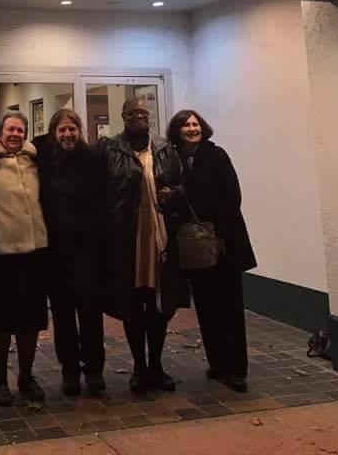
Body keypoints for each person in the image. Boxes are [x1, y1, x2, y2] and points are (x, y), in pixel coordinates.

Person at [165, 109, 256, 393]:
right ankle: (217, 363)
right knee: (206, 307)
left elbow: (232, 198)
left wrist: (219, 234)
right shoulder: (173, 160)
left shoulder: (217, 155)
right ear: (177, 131)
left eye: (195, 124)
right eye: (186, 125)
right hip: (193, 246)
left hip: (224, 244)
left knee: (229, 307)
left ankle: (237, 370)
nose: (192, 128)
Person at [97, 97, 183, 394]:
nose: (139, 117)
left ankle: (156, 366)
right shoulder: (110, 149)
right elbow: (99, 190)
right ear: (123, 117)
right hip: (126, 240)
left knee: (158, 305)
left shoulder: (164, 148)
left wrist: (174, 192)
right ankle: (138, 367)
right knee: (132, 304)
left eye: (144, 112)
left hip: (159, 239)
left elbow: (182, 183)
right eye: (133, 113)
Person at [33, 109, 106, 397]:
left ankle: (94, 370)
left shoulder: (93, 159)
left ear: (80, 131)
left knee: (91, 313)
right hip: (56, 253)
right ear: (54, 133)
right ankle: (70, 371)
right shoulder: (44, 157)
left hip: (87, 252)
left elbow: (103, 201)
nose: (67, 135)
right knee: (63, 315)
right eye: (62, 130)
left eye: (72, 129)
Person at [0, 112, 49, 407]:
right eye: (10, 129)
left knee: (30, 321)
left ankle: (26, 376)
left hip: (35, 253)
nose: (15, 134)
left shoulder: (33, 160)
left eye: (20, 130)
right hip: (1, 254)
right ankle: (0, 379)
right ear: (0, 132)